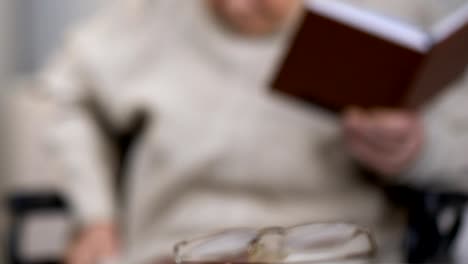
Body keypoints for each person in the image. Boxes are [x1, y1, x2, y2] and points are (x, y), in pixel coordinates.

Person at [28, 0, 468, 263]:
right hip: (174, 250)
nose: (237, 5)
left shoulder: (390, 20)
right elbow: (68, 95)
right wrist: (96, 213)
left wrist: (417, 151)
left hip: (328, 251)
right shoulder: (150, 19)